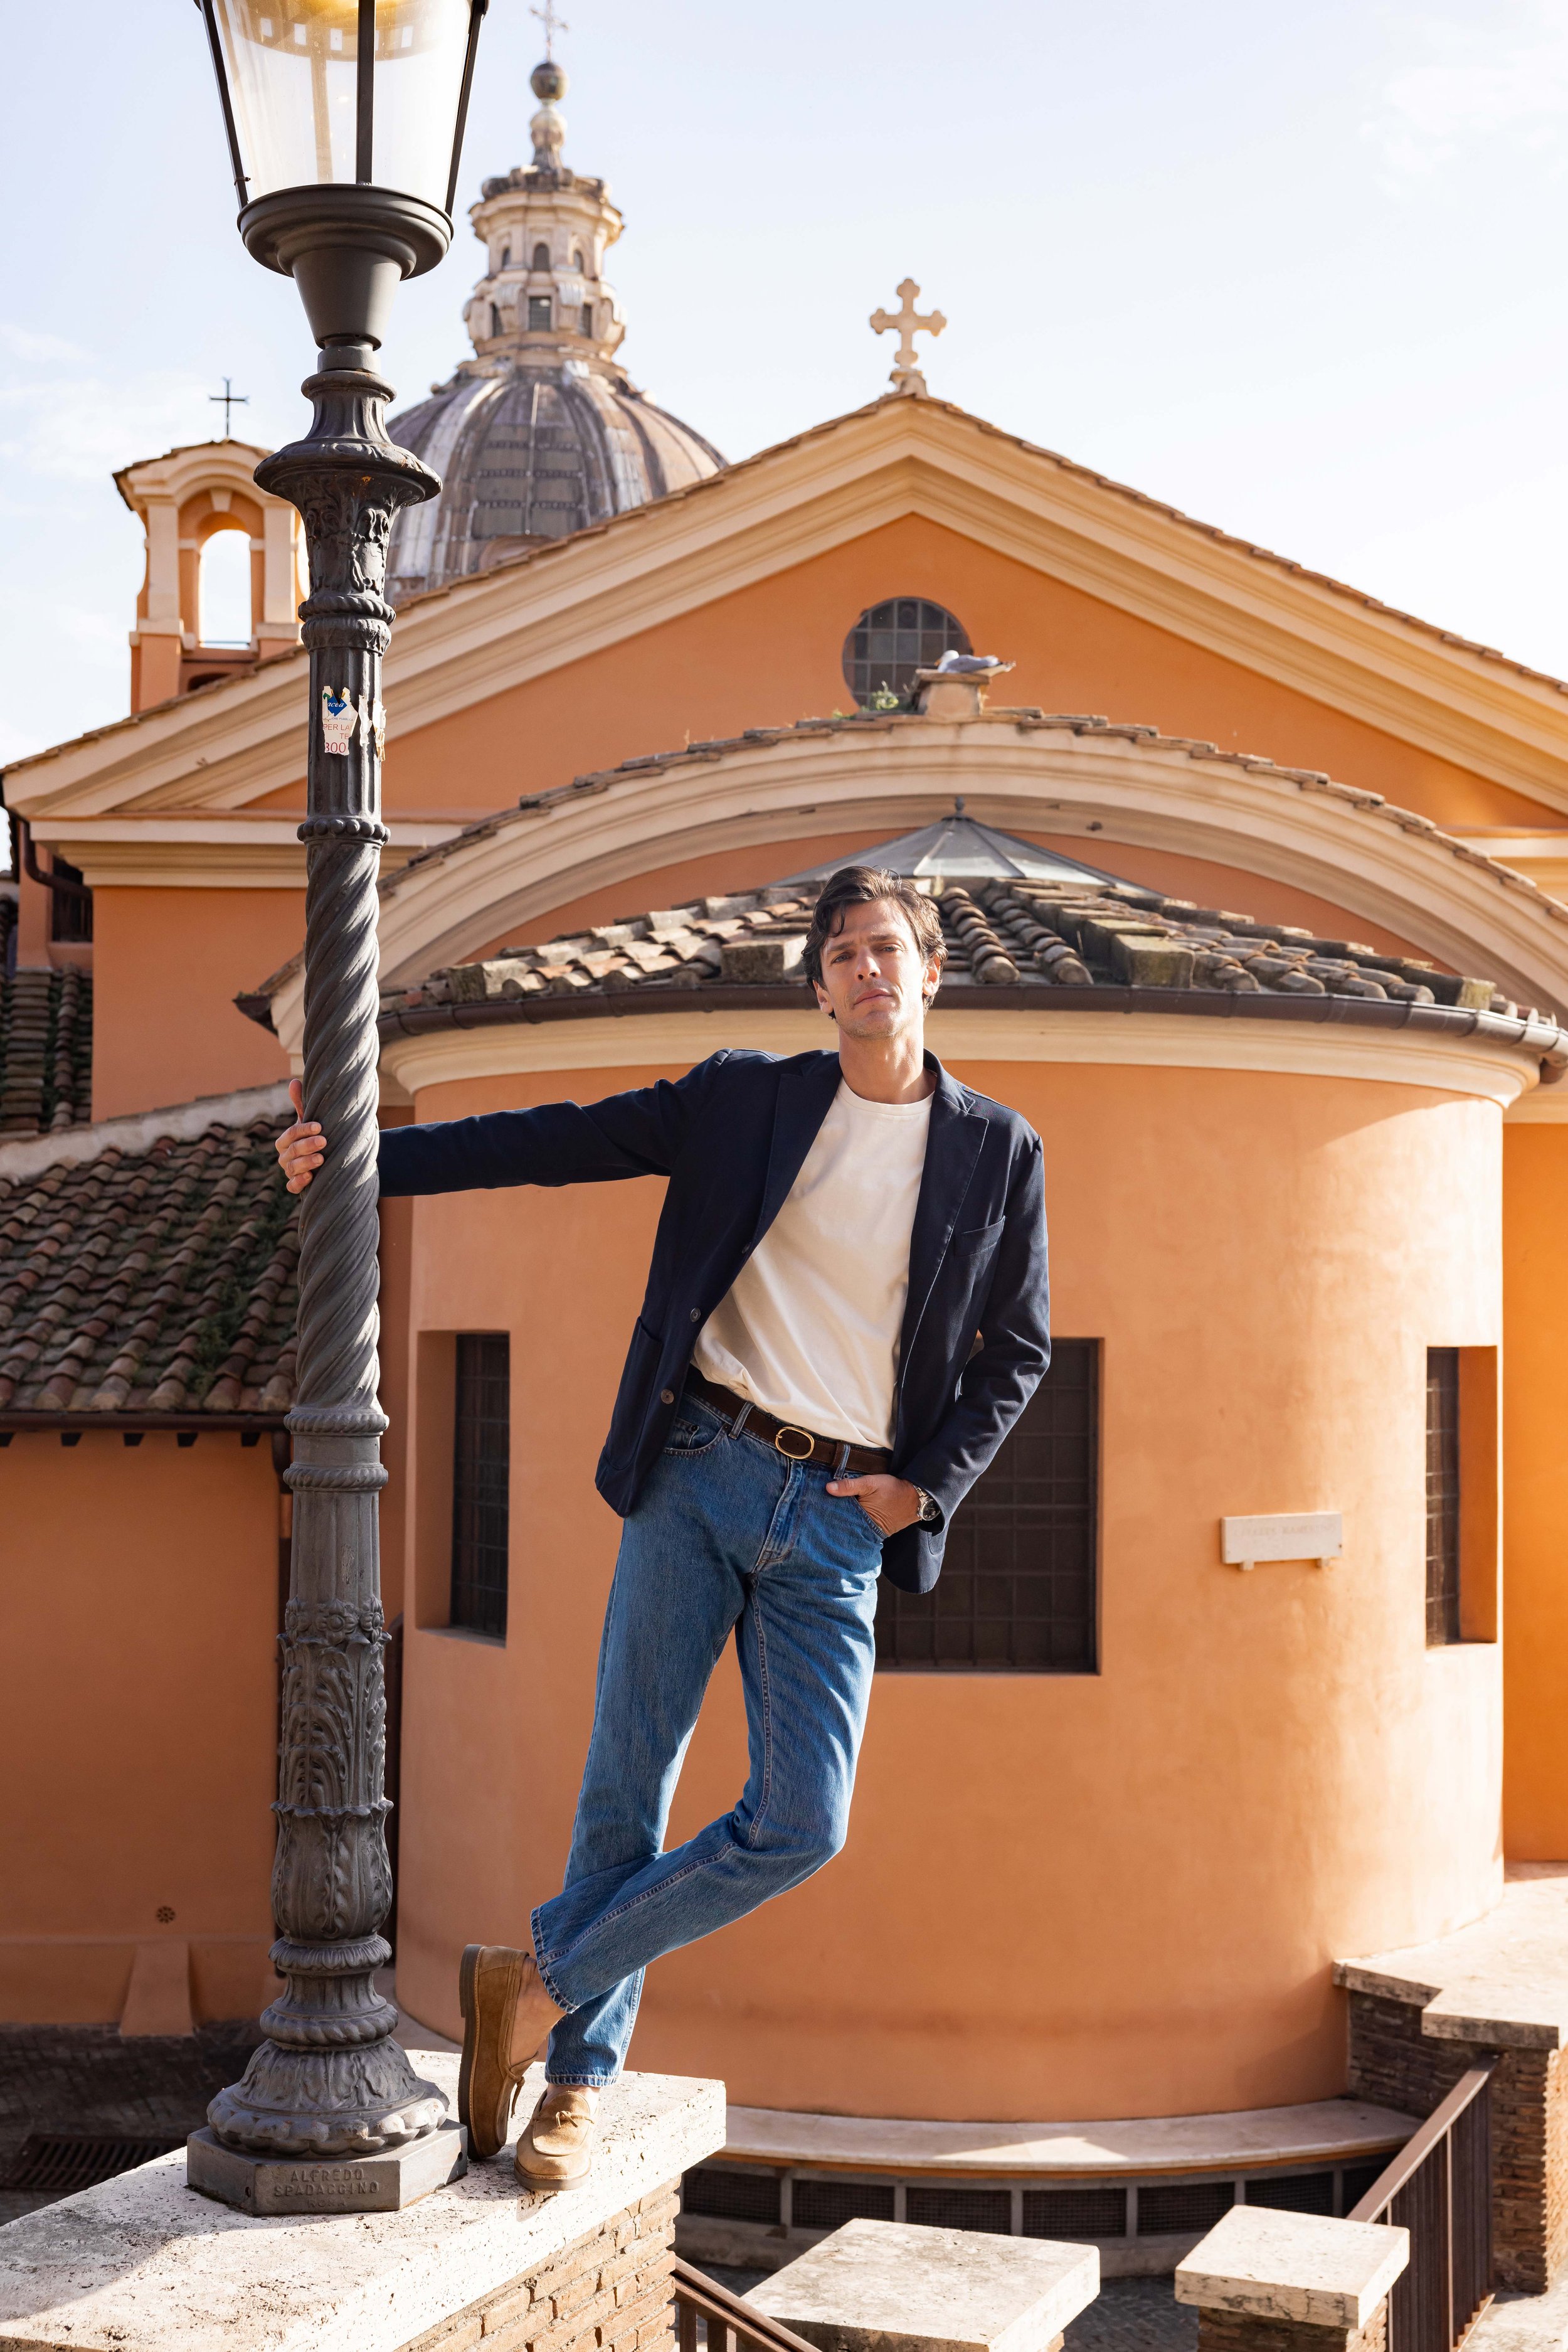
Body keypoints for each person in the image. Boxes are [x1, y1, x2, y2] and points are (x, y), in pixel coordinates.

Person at [275, 863, 1050, 2190]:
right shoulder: (745, 1098)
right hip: (700, 1465)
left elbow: (1015, 1350)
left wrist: (926, 1488)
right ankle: (576, 2082)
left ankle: (541, 1985)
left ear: (931, 973)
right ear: (818, 988)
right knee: (624, 1789)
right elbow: (553, 1141)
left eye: (888, 949)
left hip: (839, 1519)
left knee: (804, 1820)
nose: (868, 970)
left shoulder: (997, 1147)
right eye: (843, 954)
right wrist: (363, 1162)